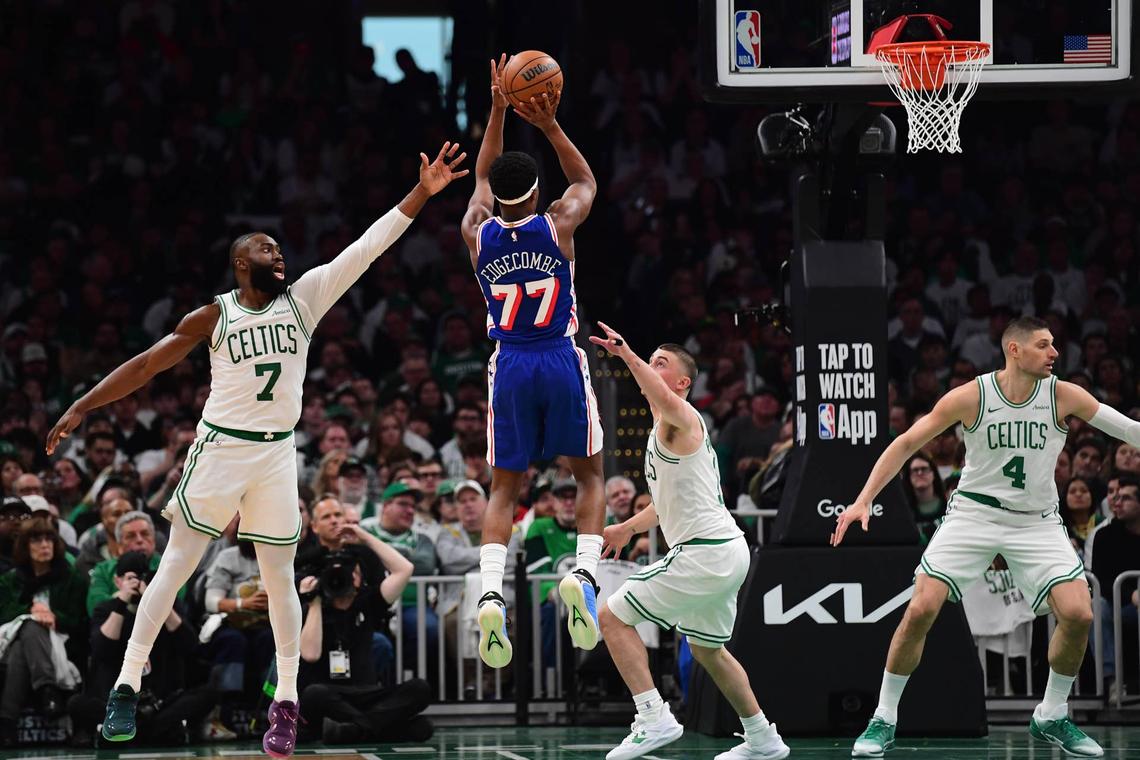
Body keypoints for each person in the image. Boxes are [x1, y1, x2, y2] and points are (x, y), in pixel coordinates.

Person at [43, 142, 467, 757]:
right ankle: (127, 685)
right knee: (175, 565)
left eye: (280, 249)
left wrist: (422, 193)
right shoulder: (213, 316)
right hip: (220, 449)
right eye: (267, 249)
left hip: (275, 455)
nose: (280, 254)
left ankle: (286, 701)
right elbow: (146, 365)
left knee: (280, 577)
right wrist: (84, 405)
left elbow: (367, 247)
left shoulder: (306, 298)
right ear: (242, 263)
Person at [832, 316, 1140, 757]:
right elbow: (906, 442)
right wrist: (864, 499)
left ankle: (1052, 713)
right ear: (1014, 350)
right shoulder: (973, 396)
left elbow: (1126, 429)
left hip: (1035, 520)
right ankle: (884, 717)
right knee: (920, 608)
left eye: (1053, 344)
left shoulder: (1062, 394)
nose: (1054, 353)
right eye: (1043, 345)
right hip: (974, 514)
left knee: (1079, 614)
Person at [459, 55, 604, 669]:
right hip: (559, 355)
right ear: (537, 193)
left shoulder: (476, 231)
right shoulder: (559, 223)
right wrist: (547, 124)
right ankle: (585, 577)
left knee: (504, 486)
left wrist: (497, 111)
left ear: (495, 197)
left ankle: (491, 594)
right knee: (589, 476)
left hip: (511, 362)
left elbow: (481, 179)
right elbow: (585, 180)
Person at [590, 324, 788, 760]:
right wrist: (628, 528)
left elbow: (658, 394)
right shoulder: (661, 432)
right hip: (723, 550)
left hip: (705, 552)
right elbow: (665, 506)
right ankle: (763, 738)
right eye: (650, 361)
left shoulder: (682, 417)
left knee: (611, 617)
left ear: (682, 383)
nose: (650, 367)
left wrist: (626, 355)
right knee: (708, 649)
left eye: (660, 363)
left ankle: (653, 716)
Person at [67, 551, 217, 747]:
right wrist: (121, 603)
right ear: (117, 581)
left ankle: (138, 731)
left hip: (161, 702)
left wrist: (158, 600)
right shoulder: (105, 608)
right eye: (131, 578)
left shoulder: (169, 606)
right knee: (76, 703)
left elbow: (190, 645)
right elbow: (101, 649)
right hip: (118, 703)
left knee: (209, 692)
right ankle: (150, 730)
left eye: (142, 578)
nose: (138, 584)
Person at [296, 543, 431, 745]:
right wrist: (314, 602)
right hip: (330, 695)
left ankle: (355, 730)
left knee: (420, 689)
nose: (345, 577)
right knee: (314, 694)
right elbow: (310, 654)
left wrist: (361, 535)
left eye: (352, 572)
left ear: (361, 578)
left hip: (366, 694)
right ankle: (375, 729)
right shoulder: (314, 608)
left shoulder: (368, 601)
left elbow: (405, 569)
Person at [0, 515, 88, 743]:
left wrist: (54, 618)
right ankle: (47, 690)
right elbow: (4, 616)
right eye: (37, 540)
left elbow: (79, 621)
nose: (45, 545)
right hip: (10, 643)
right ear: (25, 546)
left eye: (49, 539)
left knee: (26, 637)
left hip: (64, 644)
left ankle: (7, 722)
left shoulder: (71, 579)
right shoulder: (10, 581)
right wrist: (30, 610)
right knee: (29, 626)